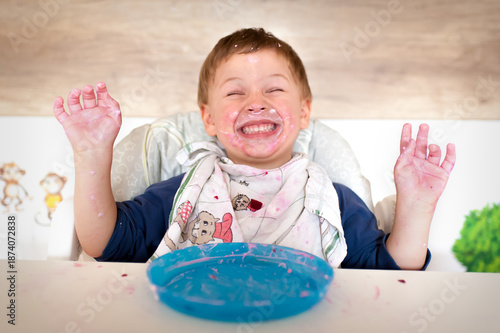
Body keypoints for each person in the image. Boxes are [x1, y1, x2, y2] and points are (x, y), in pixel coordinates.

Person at [53, 28, 456, 270]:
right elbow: (105, 242)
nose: (256, 102)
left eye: (274, 88)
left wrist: (417, 205)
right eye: (235, 92)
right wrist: (92, 155)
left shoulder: (329, 200)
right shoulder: (186, 191)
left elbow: (389, 269)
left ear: (303, 112)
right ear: (208, 119)